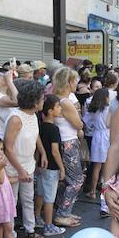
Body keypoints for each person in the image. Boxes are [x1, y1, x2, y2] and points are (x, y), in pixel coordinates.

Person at [4, 79, 47, 238]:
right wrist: (20, 170)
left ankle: (30, 229)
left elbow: (35, 136)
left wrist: (42, 152)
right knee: (12, 201)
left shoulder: (33, 115)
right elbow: (7, 148)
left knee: (28, 198)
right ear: (35, 102)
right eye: (42, 98)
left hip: (28, 163)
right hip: (13, 166)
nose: (44, 101)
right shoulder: (16, 119)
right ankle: (11, 236)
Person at [52, 67, 86, 227]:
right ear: (69, 82)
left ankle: (64, 210)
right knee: (76, 180)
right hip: (68, 142)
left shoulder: (56, 98)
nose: (77, 84)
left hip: (64, 142)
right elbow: (79, 124)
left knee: (70, 180)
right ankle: (62, 213)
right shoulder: (66, 102)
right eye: (75, 81)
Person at [34, 94, 67, 237]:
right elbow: (55, 151)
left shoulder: (40, 127)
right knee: (49, 198)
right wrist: (62, 168)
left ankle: (36, 218)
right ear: (50, 111)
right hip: (52, 168)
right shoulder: (54, 129)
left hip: (41, 165)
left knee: (40, 194)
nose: (60, 109)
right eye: (58, 107)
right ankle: (48, 226)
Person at [83, 87, 111, 200]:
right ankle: (104, 190)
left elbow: (85, 121)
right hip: (107, 136)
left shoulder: (93, 109)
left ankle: (92, 191)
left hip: (96, 136)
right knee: (106, 165)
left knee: (96, 166)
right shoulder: (109, 109)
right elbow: (110, 124)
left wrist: (91, 127)